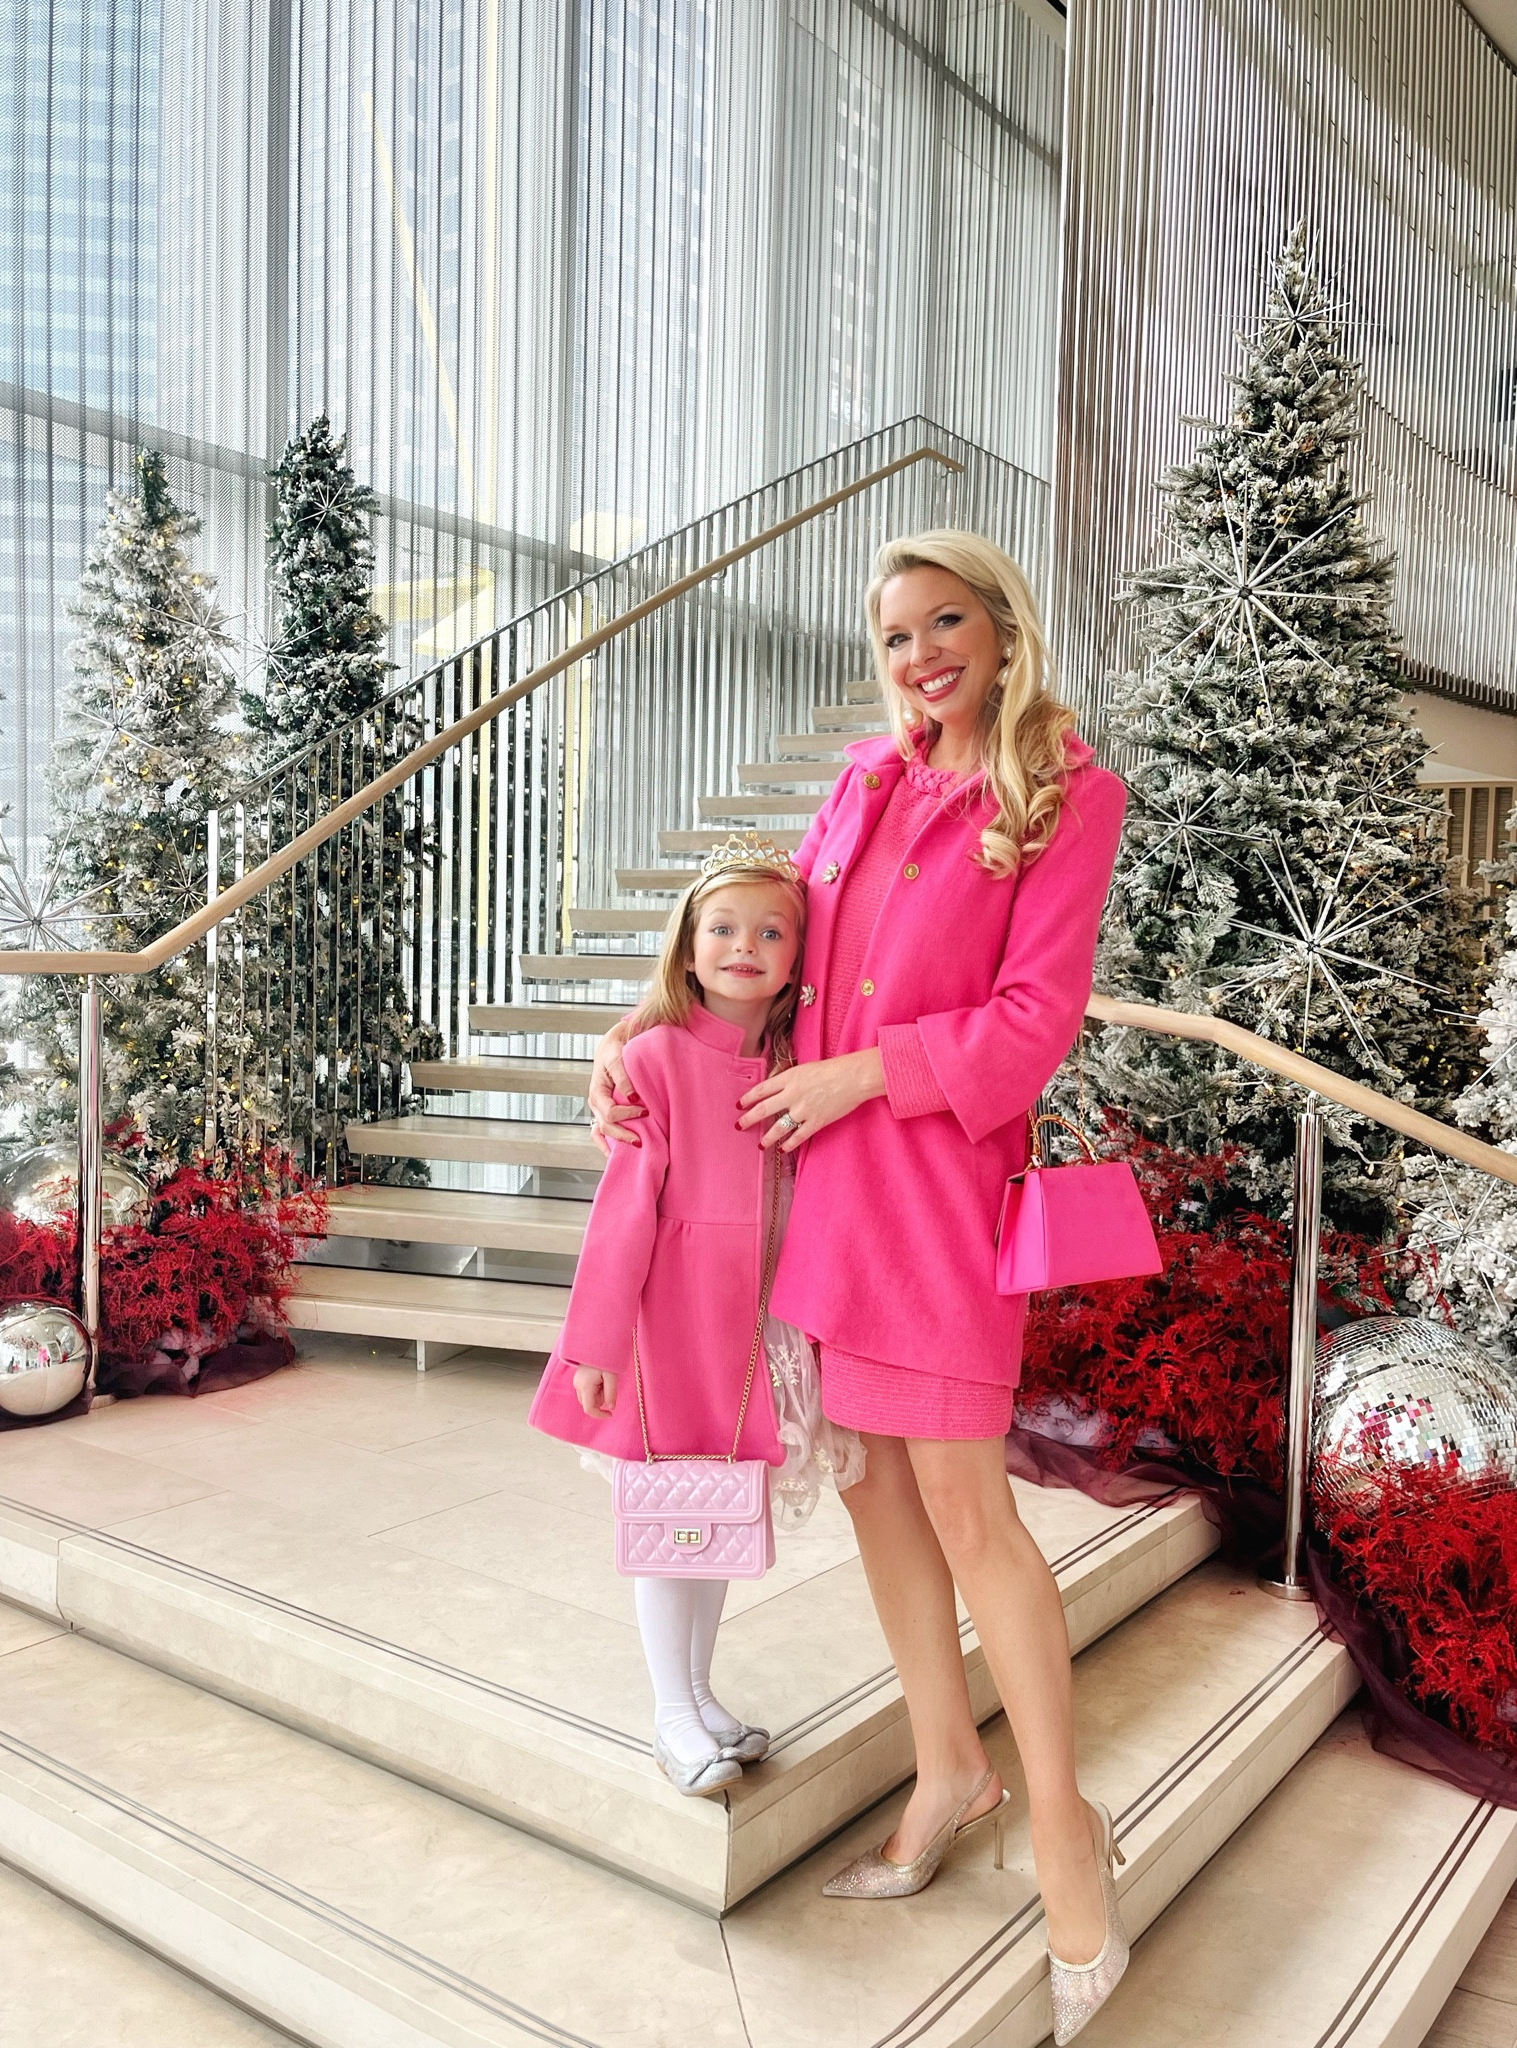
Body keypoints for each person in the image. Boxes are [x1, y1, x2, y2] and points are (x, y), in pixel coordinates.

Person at [587, 532, 1129, 2043]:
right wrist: (633, 1046)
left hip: (939, 1202)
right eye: (893, 634)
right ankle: (951, 1768)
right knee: (881, 1489)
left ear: (1002, 627)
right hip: (820, 1204)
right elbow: (760, 966)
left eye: (942, 621)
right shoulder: (861, 785)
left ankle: (1068, 1830)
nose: (917, 654)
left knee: (971, 1511)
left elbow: (1032, 1025)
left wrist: (866, 1077)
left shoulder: (1067, 796)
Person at [529, 839, 859, 1798]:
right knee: (666, 1513)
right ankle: (671, 1713)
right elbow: (625, 1210)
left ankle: (701, 1693)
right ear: (686, 947)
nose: (744, 946)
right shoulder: (653, 1058)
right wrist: (593, 1342)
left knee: (715, 1509)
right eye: (722, 928)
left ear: (800, 957)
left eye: (769, 931)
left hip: (753, 1326)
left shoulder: (799, 1060)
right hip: (668, 1323)